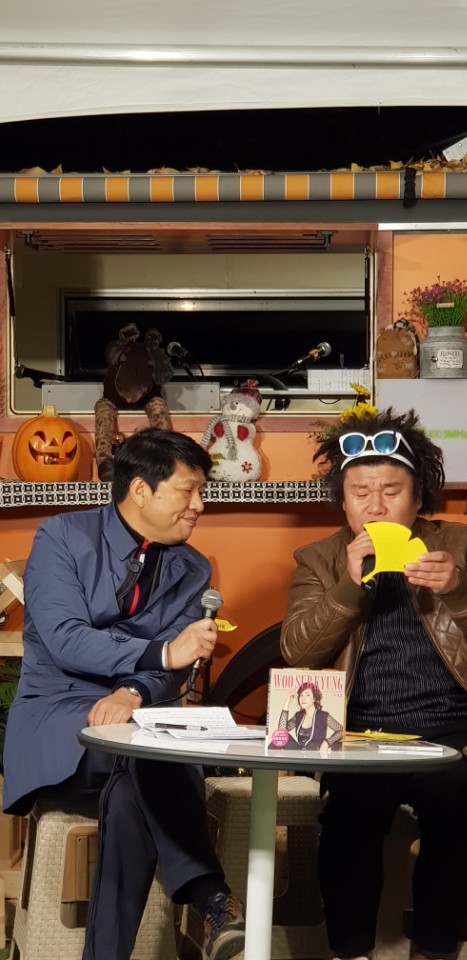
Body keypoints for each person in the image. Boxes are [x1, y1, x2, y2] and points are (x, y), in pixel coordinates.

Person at [3, 428, 245, 960]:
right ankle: (211, 895)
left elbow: (171, 673)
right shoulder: (61, 537)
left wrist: (134, 691)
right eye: (187, 491)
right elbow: (65, 638)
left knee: (135, 780)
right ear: (140, 490)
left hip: (138, 723)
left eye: (201, 491)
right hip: (57, 718)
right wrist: (163, 653)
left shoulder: (194, 568)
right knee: (146, 752)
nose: (199, 505)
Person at [280, 407, 467, 960]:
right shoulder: (319, 558)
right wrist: (347, 585)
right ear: (343, 500)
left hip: (450, 729)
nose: (376, 506)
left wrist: (457, 592)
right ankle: (351, 953)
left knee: (459, 800)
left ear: (418, 496)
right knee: (348, 813)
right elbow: (298, 651)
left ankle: (433, 950)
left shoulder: (458, 546)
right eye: (360, 493)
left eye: (391, 491)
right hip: (359, 733)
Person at [273, 682, 343, 754]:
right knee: (276, 740)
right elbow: (281, 732)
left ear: (314, 699)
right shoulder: (298, 716)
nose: (303, 698)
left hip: (316, 755)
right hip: (300, 754)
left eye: (307, 695)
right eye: (301, 695)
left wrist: (326, 742)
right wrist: (287, 702)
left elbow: (341, 731)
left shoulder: (323, 716)